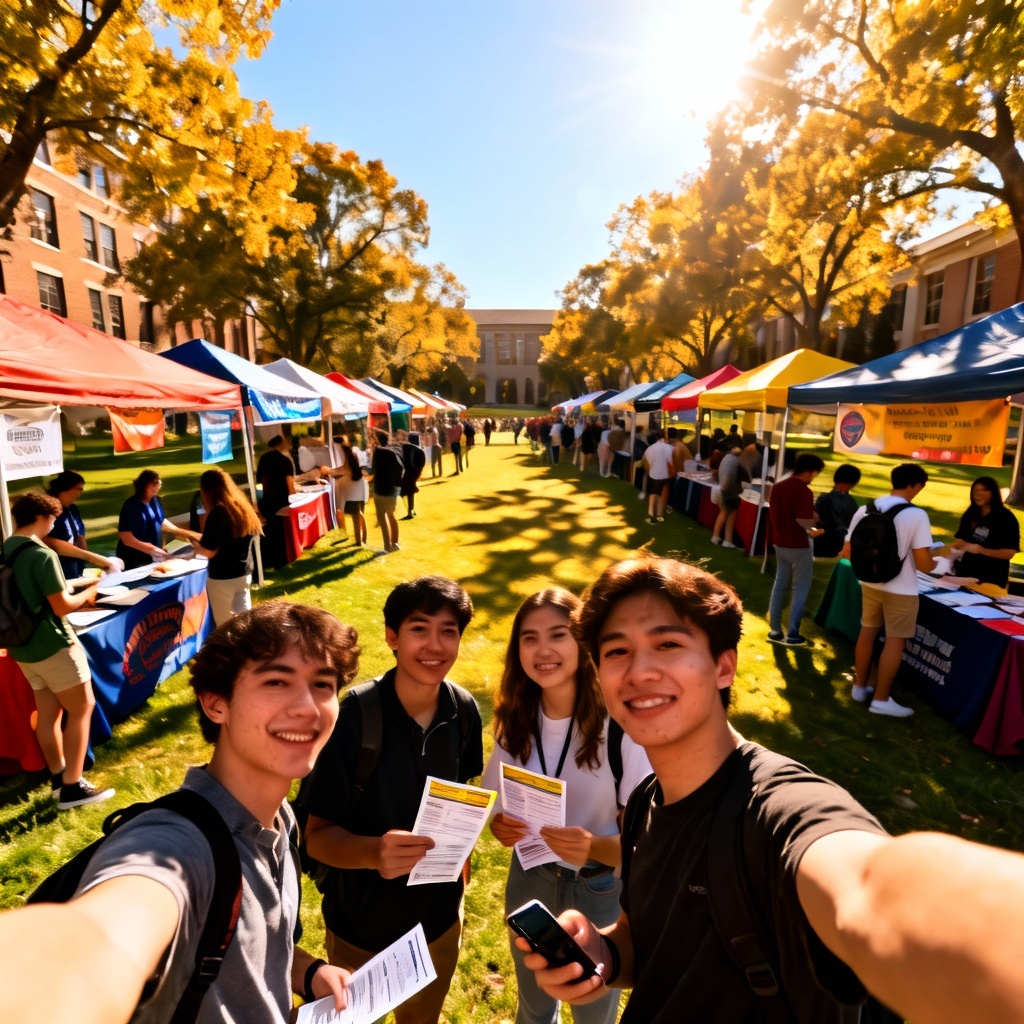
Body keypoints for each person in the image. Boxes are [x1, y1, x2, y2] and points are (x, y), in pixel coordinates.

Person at [519, 555, 1024, 1024]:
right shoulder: (648, 801)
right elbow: (646, 938)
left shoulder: (778, 810)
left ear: (724, 666)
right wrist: (603, 952)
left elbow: (870, 885)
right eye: (617, 651)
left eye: (668, 644)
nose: (639, 671)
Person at [0, 600, 357, 1024]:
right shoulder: (178, 846)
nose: (308, 707)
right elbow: (105, 933)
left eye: (323, 684)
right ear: (215, 704)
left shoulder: (281, 818)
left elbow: (246, 951)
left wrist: (310, 973)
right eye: (277, 681)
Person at [300, 576, 483, 1024]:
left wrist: (460, 875)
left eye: (449, 631)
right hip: (360, 929)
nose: (435, 645)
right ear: (392, 637)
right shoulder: (353, 718)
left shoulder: (464, 711)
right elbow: (316, 838)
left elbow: (466, 796)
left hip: (437, 928)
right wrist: (373, 852)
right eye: (419, 628)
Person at [483, 588, 650, 1024]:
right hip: (530, 879)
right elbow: (500, 807)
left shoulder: (621, 728)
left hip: (596, 891)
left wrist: (592, 846)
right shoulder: (516, 717)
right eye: (529, 638)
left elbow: (646, 846)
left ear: (581, 643)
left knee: (592, 1013)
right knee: (534, 1008)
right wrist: (501, 827)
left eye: (558, 635)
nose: (543, 651)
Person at [4, 491, 113, 810]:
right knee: (82, 708)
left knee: (49, 715)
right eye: (53, 517)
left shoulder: (7, 548)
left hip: (22, 649)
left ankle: (58, 777)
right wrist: (90, 591)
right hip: (53, 645)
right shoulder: (42, 554)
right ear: (40, 517)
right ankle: (72, 787)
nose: (55, 523)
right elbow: (62, 605)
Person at [841, 463, 938, 718]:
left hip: (869, 583)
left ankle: (859, 687)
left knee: (867, 633)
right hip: (902, 589)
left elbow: (847, 551)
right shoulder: (916, 515)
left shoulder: (866, 508)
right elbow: (924, 564)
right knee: (895, 641)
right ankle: (881, 699)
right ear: (915, 485)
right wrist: (942, 562)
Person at [767, 452, 825, 646]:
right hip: (799, 545)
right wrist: (814, 529)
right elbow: (803, 520)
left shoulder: (779, 486)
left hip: (779, 542)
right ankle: (793, 634)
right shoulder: (804, 491)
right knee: (800, 589)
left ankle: (775, 630)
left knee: (779, 585)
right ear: (810, 471)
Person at [190, 468, 262, 627]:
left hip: (223, 579)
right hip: (243, 574)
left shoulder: (218, 513)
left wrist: (195, 547)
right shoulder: (241, 507)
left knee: (226, 627)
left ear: (207, 491)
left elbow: (209, 551)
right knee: (244, 623)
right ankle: (249, 650)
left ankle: (234, 652)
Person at [116, 470, 200, 571]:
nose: (156, 491)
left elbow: (161, 521)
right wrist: (153, 550)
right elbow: (126, 538)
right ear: (143, 486)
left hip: (152, 558)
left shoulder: (155, 500)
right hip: (134, 560)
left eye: (157, 488)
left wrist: (187, 534)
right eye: (153, 489)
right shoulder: (131, 506)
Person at [43, 471, 120, 579]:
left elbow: (79, 534)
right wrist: (89, 557)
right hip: (60, 567)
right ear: (66, 488)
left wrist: (86, 552)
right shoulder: (49, 512)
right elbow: (51, 542)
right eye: (78, 488)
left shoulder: (72, 509)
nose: (81, 492)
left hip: (77, 565)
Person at [950, 476, 1021, 590]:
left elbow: (1009, 553)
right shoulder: (970, 514)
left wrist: (980, 550)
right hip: (963, 577)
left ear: (993, 492)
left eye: (983, 490)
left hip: (990, 581)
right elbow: (960, 540)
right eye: (975, 490)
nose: (978, 494)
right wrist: (952, 551)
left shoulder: (1006, 518)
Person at [255, 436, 296, 569]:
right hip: (281, 501)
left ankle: (267, 559)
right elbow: (289, 483)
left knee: (269, 531)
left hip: (267, 501)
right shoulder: (285, 461)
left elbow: (259, 482)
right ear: (281, 444)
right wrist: (294, 496)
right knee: (280, 532)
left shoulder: (263, 459)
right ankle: (281, 559)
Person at [813, 464, 862, 558]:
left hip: (824, 542)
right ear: (853, 484)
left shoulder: (824, 498)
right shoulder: (852, 503)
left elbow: (817, 521)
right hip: (843, 542)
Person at [370, 431, 404, 552]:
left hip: (381, 489)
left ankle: (387, 546)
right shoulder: (392, 451)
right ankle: (395, 542)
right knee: (391, 515)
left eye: (372, 438)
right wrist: (396, 481)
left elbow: (372, 471)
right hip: (392, 488)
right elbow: (400, 468)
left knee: (382, 518)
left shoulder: (378, 453)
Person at [332, 438, 369, 546]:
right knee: (359, 515)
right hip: (358, 487)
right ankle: (362, 540)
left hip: (354, 488)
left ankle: (359, 541)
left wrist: (329, 471)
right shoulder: (352, 454)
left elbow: (345, 469)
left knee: (356, 516)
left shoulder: (348, 455)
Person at [710, 446, 744, 549]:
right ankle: (726, 539)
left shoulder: (726, 458)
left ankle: (719, 537)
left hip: (725, 490)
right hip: (732, 491)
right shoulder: (735, 460)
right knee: (729, 514)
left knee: (724, 512)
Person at [640, 432, 675, 525]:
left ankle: (651, 515)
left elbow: (646, 461)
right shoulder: (670, 448)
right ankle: (659, 514)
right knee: (660, 494)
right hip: (666, 475)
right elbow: (671, 461)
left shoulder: (650, 448)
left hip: (654, 474)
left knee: (653, 494)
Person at [398, 430, 427, 520]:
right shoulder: (418, 449)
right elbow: (423, 461)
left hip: (408, 472)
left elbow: (404, 460)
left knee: (407, 491)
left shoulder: (407, 447)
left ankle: (410, 511)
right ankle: (411, 510)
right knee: (409, 491)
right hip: (415, 472)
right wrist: (418, 469)